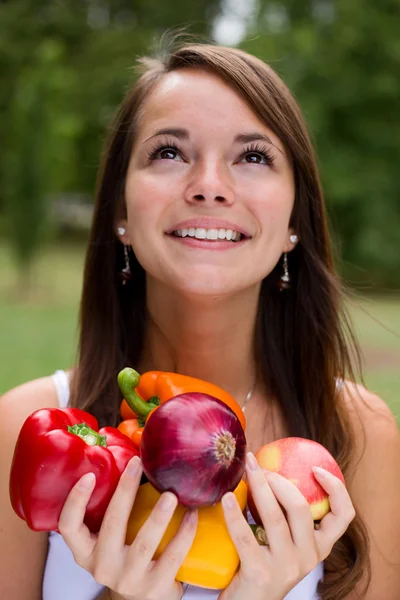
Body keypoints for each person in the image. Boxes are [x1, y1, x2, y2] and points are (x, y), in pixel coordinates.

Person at [1, 38, 399, 600]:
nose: (209, 185)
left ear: (294, 222)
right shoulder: (29, 427)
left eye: (253, 156)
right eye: (169, 152)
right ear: (120, 211)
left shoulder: (357, 436)